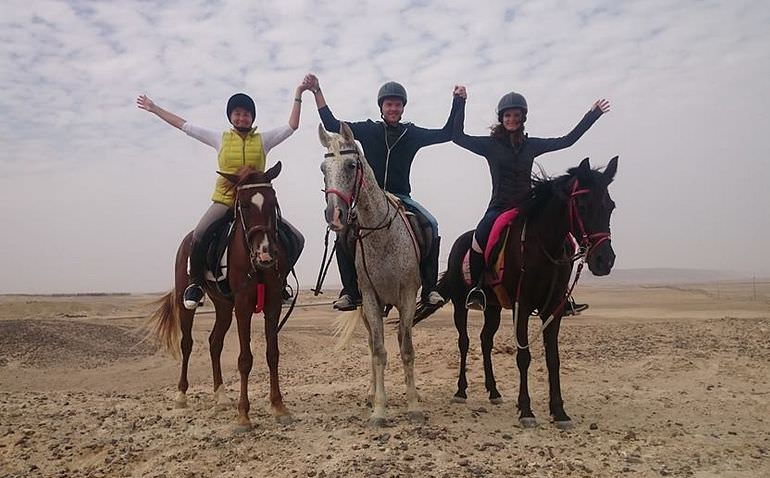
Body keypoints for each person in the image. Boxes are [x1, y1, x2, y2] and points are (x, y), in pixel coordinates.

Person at [136, 82, 309, 309]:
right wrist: (154, 108)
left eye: (246, 114)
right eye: (237, 114)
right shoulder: (220, 139)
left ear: (252, 117)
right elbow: (184, 125)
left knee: (296, 238)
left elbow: (292, 126)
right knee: (199, 235)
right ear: (230, 117)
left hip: (254, 206)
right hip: (226, 201)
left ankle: (281, 281)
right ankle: (196, 285)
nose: (241, 118)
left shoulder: (263, 140)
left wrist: (298, 93)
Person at [304, 73, 462, 310]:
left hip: (401, 196)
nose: (393, 108)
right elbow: (330, 124)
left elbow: (447, 132)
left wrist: (459, 102)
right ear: (382, 107)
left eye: (397, 105)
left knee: (432, 223)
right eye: (389, 104)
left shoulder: (412, 133)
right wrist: (317, 91)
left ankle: (430, 289)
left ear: (403, 108)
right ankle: (350, 291)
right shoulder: (369, 130)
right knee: (342, 231)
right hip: (370, 197)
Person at [451, 85, 610, 311]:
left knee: (566, 241)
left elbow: (567, 140)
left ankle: (561, 295)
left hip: (528, 208)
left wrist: (592, 115)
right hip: (499, 207)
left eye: (516, 115)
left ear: (523, 118)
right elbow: (457, 136)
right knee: (481, 236)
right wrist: (459, 102)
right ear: (501, 118)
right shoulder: (490, 145)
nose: (512, 119)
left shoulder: (531, 145)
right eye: (507, 115)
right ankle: (477, 289)